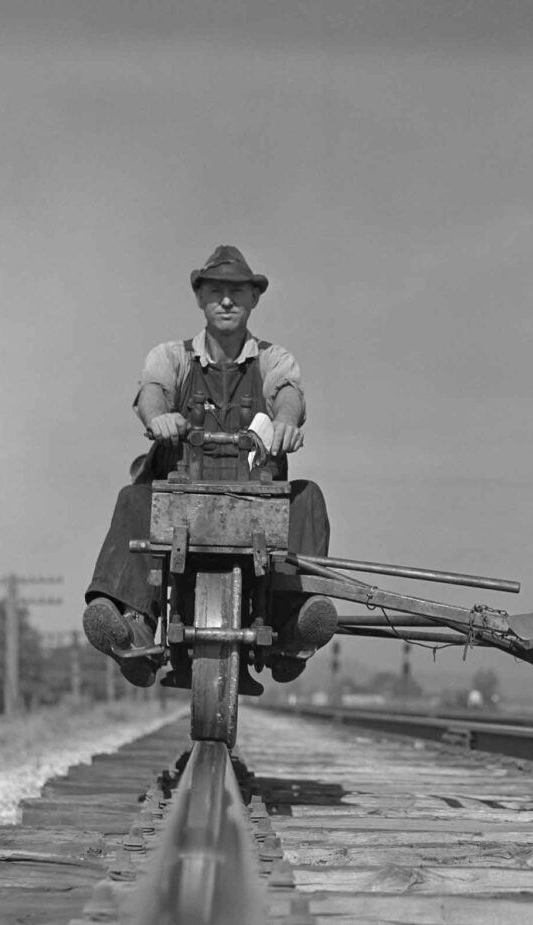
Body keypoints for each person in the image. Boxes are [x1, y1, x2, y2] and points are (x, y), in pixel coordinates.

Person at [83, 245, 334, 695]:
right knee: (135, 497)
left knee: (308, 496)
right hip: (182, 504)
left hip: (257, 503)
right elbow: (152, 391)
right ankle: (132, 623)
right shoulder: (172, 356)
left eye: (237, 292)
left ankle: (293, 623)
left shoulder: (274, 359)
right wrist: (158, 417)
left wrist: (286, 423)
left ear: (253, 299)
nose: (226, 301)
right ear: (200, 297)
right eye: (216, 291)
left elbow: (289, 393)